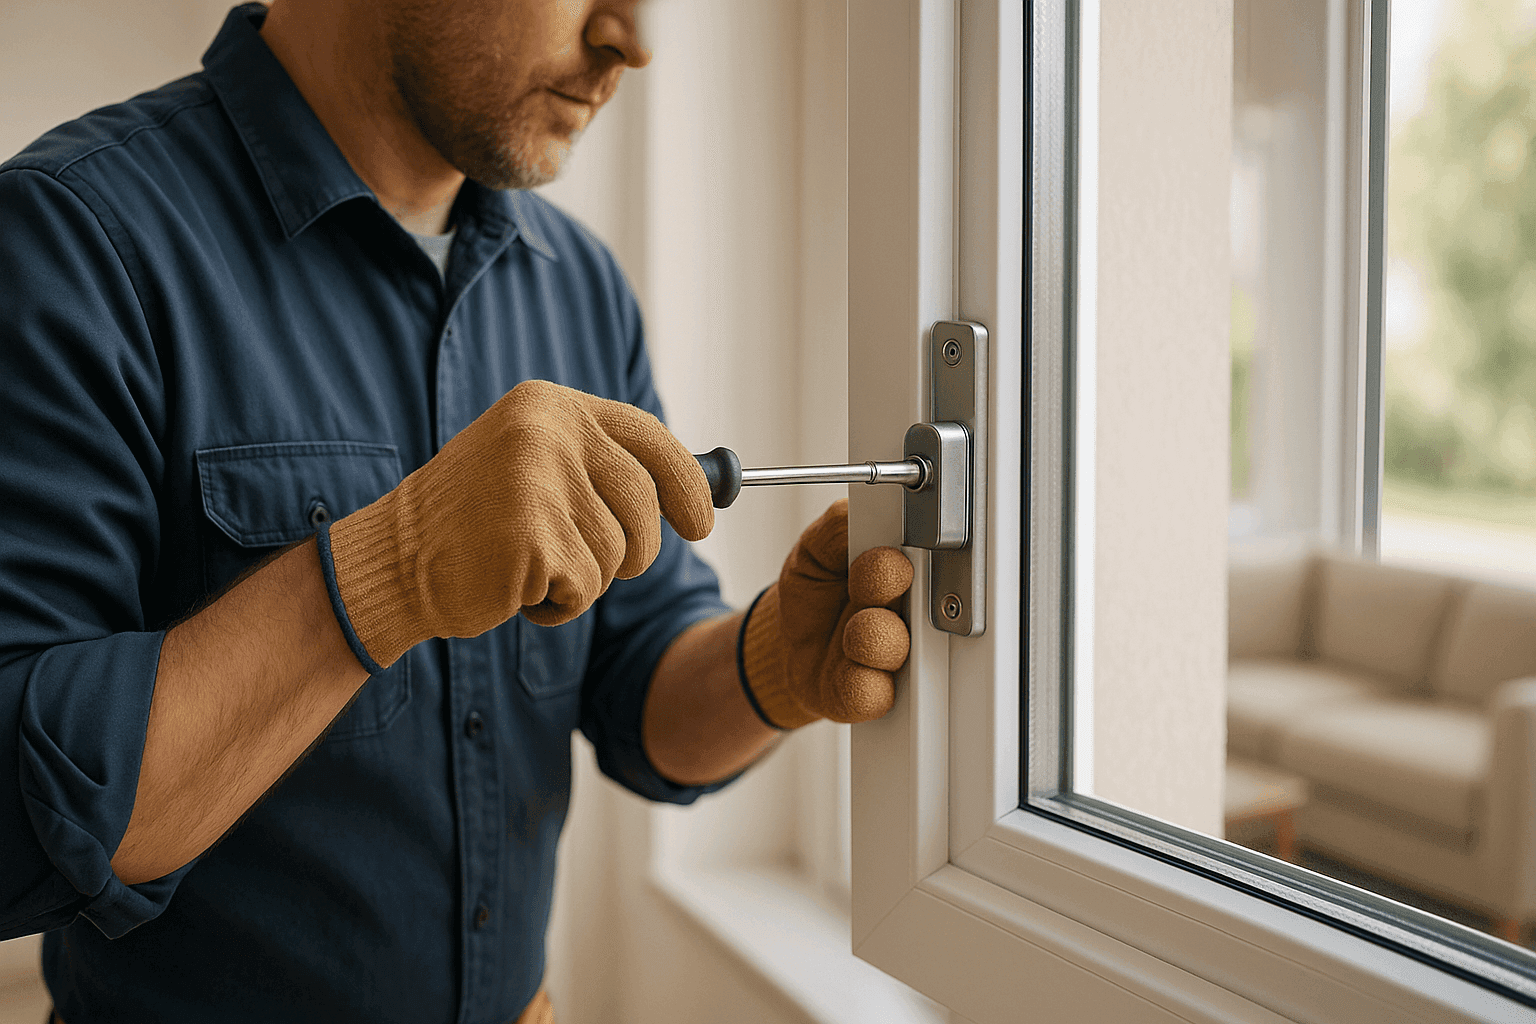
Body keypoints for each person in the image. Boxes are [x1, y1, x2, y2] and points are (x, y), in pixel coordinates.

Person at [0, 2, 914, 1021]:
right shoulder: (68, 241)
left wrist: (773, 665)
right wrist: (394, 566)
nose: (635, 39)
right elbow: (14, 823)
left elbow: (638, 685)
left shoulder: (581, 287)